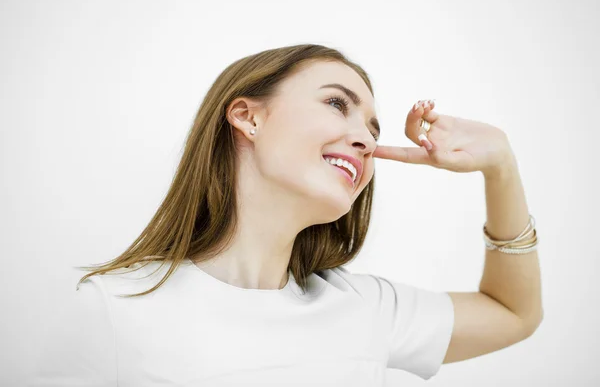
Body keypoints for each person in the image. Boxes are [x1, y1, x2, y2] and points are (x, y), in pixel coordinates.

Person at [27, 44, 543, 386]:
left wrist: (501, 169)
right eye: (337, 104)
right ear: (248, 116)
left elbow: (514, 314)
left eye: (373, 127)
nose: (366, 140)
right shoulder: (113, 309)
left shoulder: (362, 308)